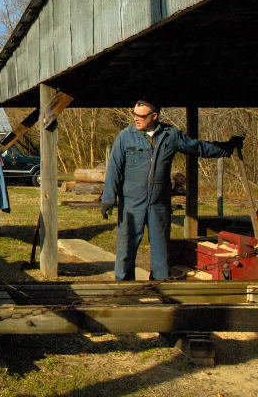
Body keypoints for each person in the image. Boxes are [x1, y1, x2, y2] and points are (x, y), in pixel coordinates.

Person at [101, 98, 243, 281]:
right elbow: (114, 169)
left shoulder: (171, 135)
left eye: (141, 116)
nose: (136, 119)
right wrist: (108, 198)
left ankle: (160, 287)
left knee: (161, 250)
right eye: (134, 114)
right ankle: (124, 287)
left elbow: (197, 147)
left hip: (159, 204)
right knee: (126, 248)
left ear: (154, 116)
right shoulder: (125, 137)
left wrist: (226, 148)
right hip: (131, 203)